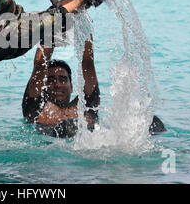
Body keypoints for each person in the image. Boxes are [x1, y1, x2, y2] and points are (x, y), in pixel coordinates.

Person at [22, 31, 166, 138]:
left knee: (149, 121)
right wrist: (57, 19)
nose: (58, 84)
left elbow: (88, 62)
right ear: (42, 86)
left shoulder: (84, 107)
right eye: (51, 80)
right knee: (70, 125)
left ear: (72, 87)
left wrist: (81, 17)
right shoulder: (35, 108)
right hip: (53, 143)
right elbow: (41, 64)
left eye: (63, 80)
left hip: (95, 146)